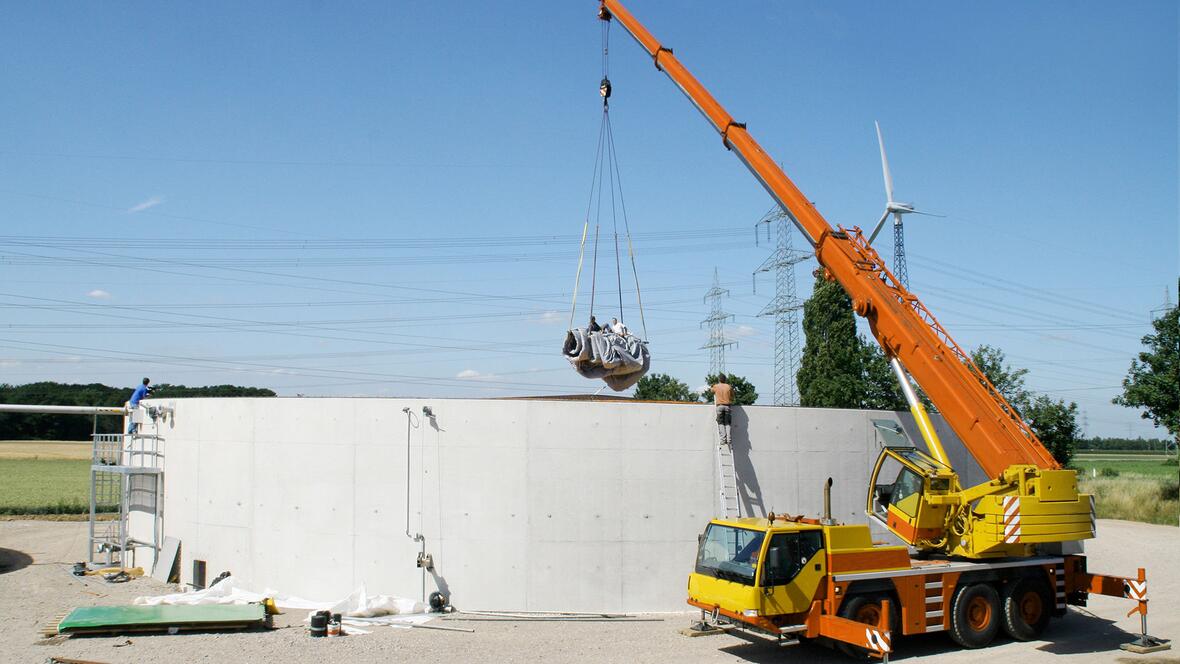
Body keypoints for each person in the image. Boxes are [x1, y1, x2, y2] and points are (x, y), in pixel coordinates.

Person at [708, 373, 733, 445]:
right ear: (725, 380)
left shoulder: (716, 386)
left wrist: (712, 386)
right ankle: (729, 439)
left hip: (719, 406)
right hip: (727, 406)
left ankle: (723, 439)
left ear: (719, 380)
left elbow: (711, 391)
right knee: (727, 423)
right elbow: (732, 396)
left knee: (721, 423)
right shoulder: (729, 387)